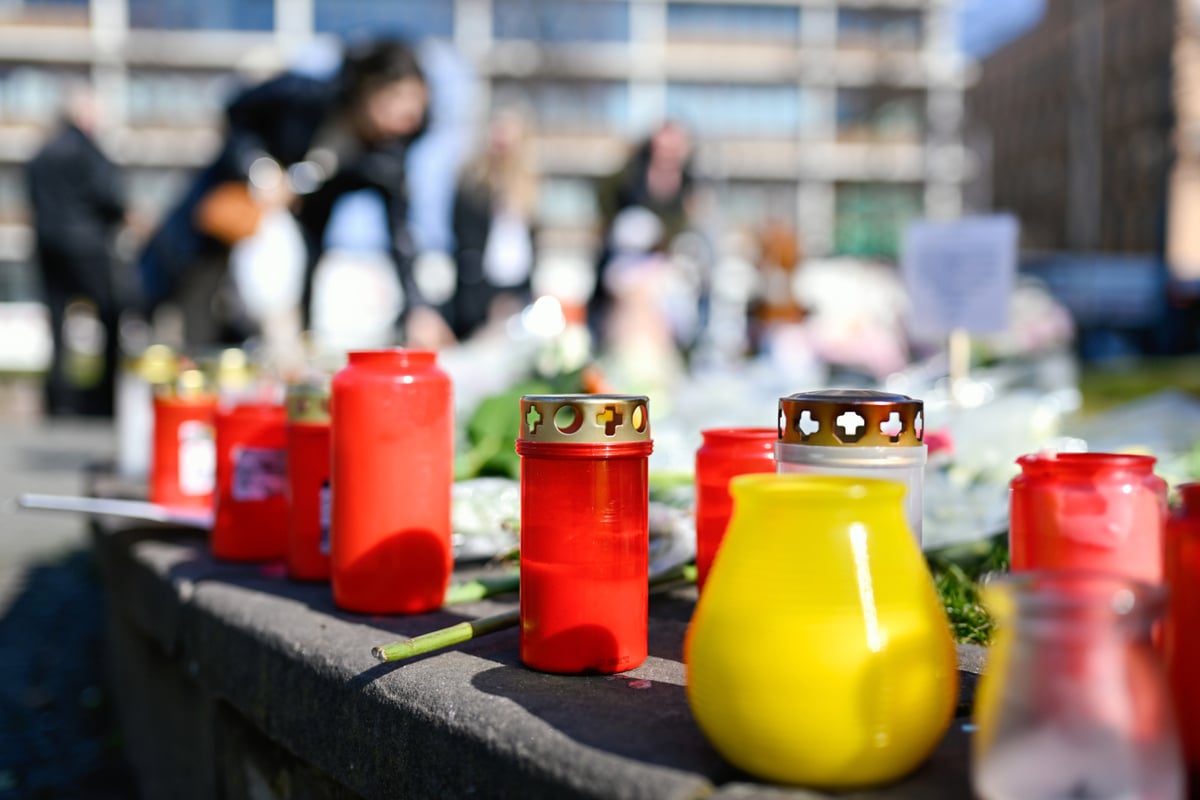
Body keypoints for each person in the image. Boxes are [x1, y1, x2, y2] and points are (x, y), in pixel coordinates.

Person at [138, 37, 454, 350]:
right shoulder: (303, 96)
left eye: (417, 103)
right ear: (366, 88)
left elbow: (400, 236)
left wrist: (418, 309)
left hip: (289, 258)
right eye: (397, 96)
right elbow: (238, 111)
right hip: (220, 222)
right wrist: (261, 172)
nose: (408, 114)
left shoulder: (385, 158)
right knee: (189, 318)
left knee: (275, 325)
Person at [26, 85, 127, 417]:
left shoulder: (41, 152)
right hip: (88, 246)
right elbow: (109, 197)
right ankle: (101, 399)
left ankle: (58, 400)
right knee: (109, 316)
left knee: (57, 324)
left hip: (47, 244)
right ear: (85, 116)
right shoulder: (89, 151)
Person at [590, 121, 695, 341]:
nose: (667, 154)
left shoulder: (689, 186)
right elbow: (607, 213)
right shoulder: (629, 178)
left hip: (665, 277)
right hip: (628, 270)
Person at [448, 109, 539, 340]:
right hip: (478, 296)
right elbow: (465, 246)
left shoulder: (528, 188)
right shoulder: (473, 185)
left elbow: (526, 251)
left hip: (516, 295)